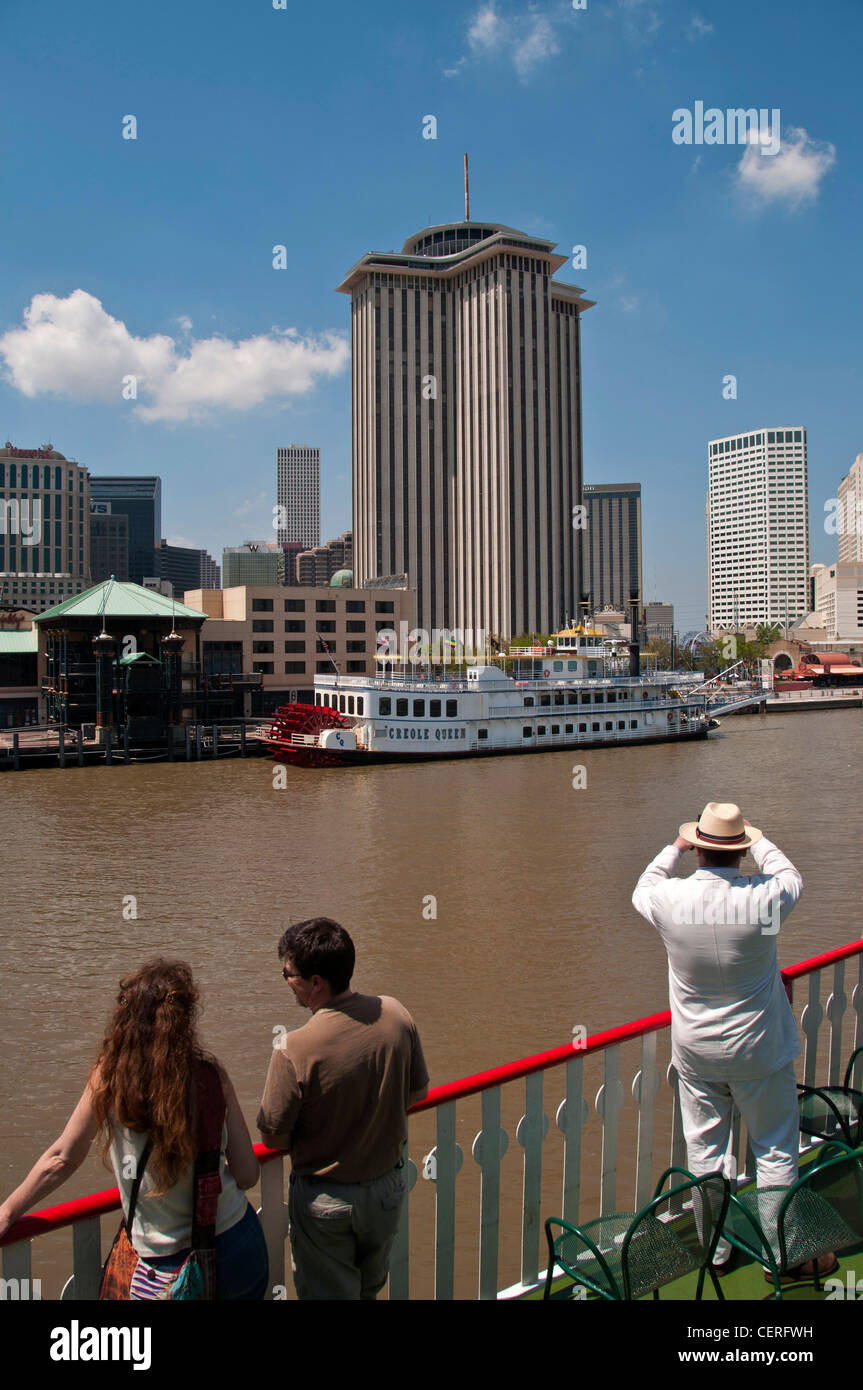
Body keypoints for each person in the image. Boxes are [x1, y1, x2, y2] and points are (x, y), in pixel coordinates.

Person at [631, 801, 833, 1278]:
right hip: (760, 1048)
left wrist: (674, 847)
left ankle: (716, 1254)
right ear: (740, 852)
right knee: (775, 1149)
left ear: (698, 849)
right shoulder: (764, 898)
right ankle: (786, 1257)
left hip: (697, 1052)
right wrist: (757, 837)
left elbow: (642, 887)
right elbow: (791, 876)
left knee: (706, 1153)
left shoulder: (671, 900)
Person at [0, 958, 269, 1299]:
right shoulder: (211, 1076)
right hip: (236, 1244)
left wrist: (8, 1212)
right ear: (185, 1019)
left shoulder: (109, 1077)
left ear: (126, 1019)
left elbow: (61, 1159)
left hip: (167, 1267)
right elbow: (247, 1175)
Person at [257, 918, 429, 1300]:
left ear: (316, 982)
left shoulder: (294, 1047)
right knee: (368, 1291)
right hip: (387, 1189)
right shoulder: (397, 1014)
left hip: (327, 1203)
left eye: (288, 974)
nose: (286, 981)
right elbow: (416, 1094)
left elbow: (272, 1136)